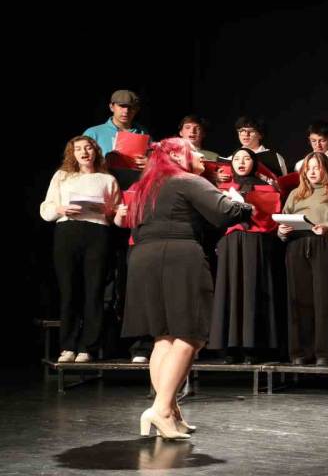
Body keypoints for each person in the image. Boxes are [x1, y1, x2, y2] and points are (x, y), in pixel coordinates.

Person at [122, 137, 252, 439]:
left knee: (163, 336)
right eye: (192, 151)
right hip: (178, 257)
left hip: (143, 258)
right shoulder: (186, 180)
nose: (199, 155)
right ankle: (161, 409)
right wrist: (242, 203)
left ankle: (168, 412)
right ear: (176, 156)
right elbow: (226, 212)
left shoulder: (145, 187)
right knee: (191, 334)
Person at [40, 136, 121, 363]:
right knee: (69, 290)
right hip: (68, 232)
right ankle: (68, 346)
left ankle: (88, 347)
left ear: (95, 151)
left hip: (97, 233)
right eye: (78, 149)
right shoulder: (63, 176)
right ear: (72, 153)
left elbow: (115, 212)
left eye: (88, 148)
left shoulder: (107, 179)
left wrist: (107, 210)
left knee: (94, 291)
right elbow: (46, 208)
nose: (84, 152)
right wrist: (61, 208)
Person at [208, 148, 283, 364]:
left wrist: (253, 208)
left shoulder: (266, 187)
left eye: (247, 158)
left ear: (255, 162)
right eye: (237, 159)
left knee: (252, 290)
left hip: (255, 242)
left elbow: (271, 220)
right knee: (229, 290)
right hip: (229, 243)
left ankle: (253, 346)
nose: (241, 162)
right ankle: (230, 347)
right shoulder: (221, 188)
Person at [278, 152, 328, 366]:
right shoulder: (295, 194)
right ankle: (300, 351)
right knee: (299, 299)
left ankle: (324, 352)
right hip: (297, 244)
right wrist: (283, 230)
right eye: (308, 168)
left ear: (326, 170)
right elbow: (283, 219)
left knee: (325, 299)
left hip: (324, 245)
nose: (311, 171)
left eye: (316, 167)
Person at [83, 89, 149, 169]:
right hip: (104, 180)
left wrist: (149, 162)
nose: (126, 111)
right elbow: (80, 163)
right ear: (111, 107)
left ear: (136, 110)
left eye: (131, 107)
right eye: (121, 106)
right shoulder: (93, 133)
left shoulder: (143, 132)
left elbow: (155, 159)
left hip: (135, 180)